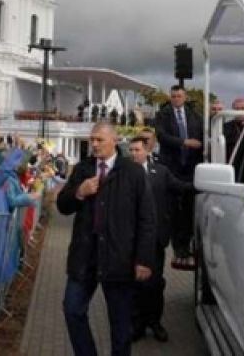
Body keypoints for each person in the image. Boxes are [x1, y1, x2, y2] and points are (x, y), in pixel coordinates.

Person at [57, 122, 155, 356]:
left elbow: (147, 218)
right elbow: (62, 205)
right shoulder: (82, 169)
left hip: (119, 259)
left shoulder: (131, 172)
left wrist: (144, 259)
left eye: (99, 139)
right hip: (85, 257)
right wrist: (79, 192)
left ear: (114, 140)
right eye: (92, 139)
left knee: (120, 326)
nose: (94, 144)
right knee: (72, 310)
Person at [126, 136, 192, 343]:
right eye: (131, 150)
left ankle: (155, 322)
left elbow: (181, 187)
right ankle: (137, 324)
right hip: (131, 239)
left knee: (155, 283)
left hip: (155, 239)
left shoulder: (161, 173)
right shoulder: (124, 174)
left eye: (137, 150)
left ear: (147, 151)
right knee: (136, 284)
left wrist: (203, 185)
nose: (133, 154)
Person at [154, 85, 202, 268]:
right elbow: (162, 136)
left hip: (191, 168)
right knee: (173, 209)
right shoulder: (163, 115)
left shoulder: (195, 115)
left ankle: (188, 245)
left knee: (189, 208)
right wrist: (184, 142)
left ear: (185, 97)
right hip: (172, 167)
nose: (176, 99)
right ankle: (178, 248)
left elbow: (202, 135)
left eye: (179, 96)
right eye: (173, 96)